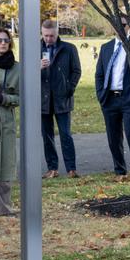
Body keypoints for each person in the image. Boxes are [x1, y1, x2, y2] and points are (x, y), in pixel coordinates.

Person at [94, 19, 130, 178]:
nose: (119, 27)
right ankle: (120, 171)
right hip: (109, 99)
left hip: (129, 100)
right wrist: (101, 94)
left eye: (123, 24)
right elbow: (99, 74)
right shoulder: (106, 48)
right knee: (113, 138)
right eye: (115, 23)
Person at [41, 19, 82, 179]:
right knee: (47, 136)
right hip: (43, 99)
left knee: (65, 134)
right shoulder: (36, 48)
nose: (48, 39)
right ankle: (52, 168)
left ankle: (71, 169)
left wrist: (69, 89)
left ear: (57, 33)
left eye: (51, 36)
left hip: (62, 98)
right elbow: (25, 71)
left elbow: (76, 71)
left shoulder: (68, 49)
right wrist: (38, 66)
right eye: (45, 35)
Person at [0, 27, 20, 216]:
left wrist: (4, 98)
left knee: (6, 166)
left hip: (6, 121)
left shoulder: (17, 68)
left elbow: (21, 97)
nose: (3, 43)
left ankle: (4, 207)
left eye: (6, 40)